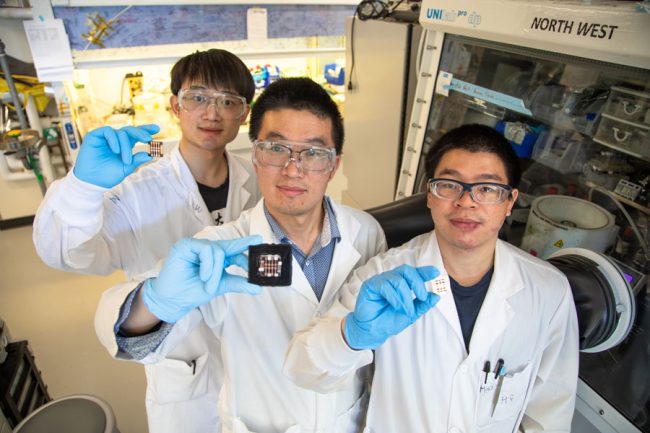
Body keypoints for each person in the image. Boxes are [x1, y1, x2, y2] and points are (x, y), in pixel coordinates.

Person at [95, 77, 387, 433]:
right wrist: (157, 301)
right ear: (256, 156)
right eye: (276, 149)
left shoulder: (365, 232)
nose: (293, 169)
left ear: (333, 165)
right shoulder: (222, 246)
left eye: (312, 153)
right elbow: (130, 329)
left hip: (345, 420)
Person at [285, 124, 579, 433]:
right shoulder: (383, 276)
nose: (466, 202)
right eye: (450, 185)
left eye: (487, 189)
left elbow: (550, 410)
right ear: (430, 195)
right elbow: (302, 369)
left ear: (509, 202)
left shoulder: (548, 290)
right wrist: (350, 335)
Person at [32, 49, 260, 433]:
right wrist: (82, 188)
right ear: (176, 105)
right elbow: (68, 254)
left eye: (228, 101)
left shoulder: (256, 180)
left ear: (244, 113)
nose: (212, 113)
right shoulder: (136, 191)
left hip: (254, 360)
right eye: (198, 97)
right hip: (184, 373)